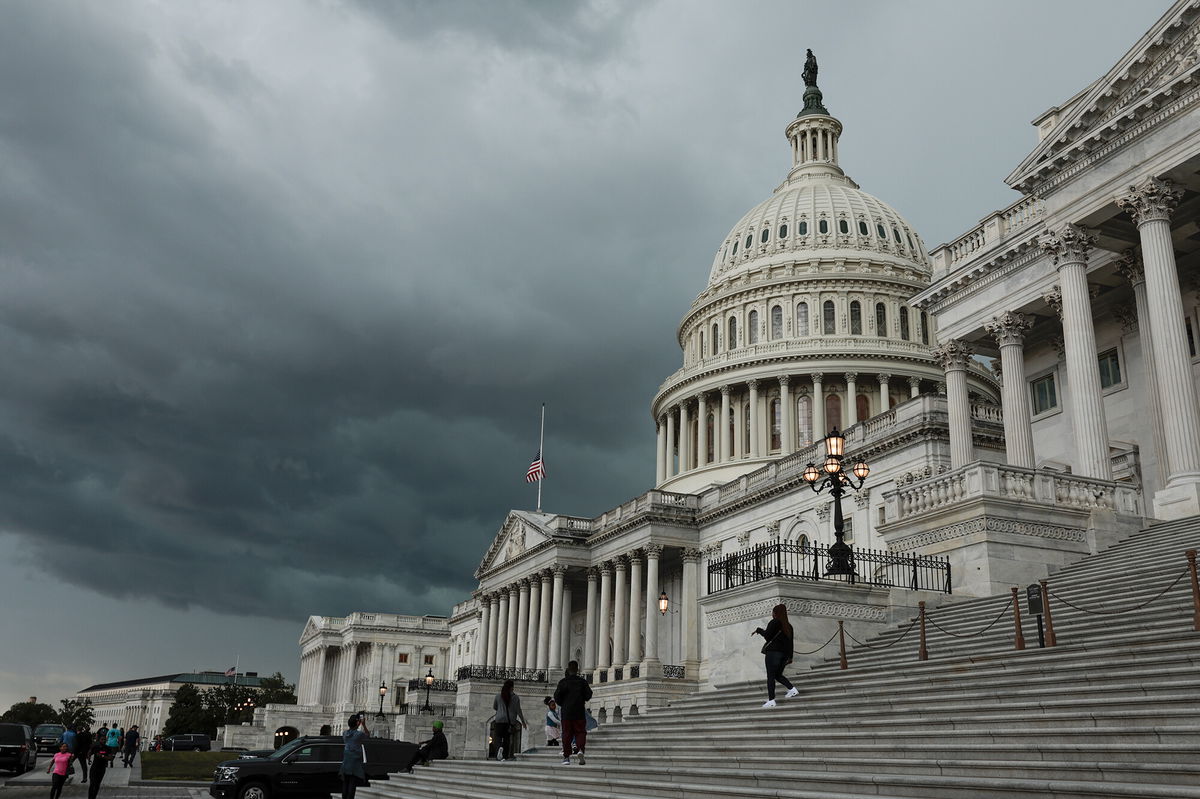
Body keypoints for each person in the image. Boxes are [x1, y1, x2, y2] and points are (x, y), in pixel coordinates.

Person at [753, 602, 798, 708]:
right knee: (778, 675)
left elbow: (767, 636)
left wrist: (759, 630)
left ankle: (771, 700)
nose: (772, 614)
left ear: (776, 613)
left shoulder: (775, 622)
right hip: (784, 655)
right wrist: (790, 657)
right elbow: (791, 643)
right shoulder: (789, 626)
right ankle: (792, 689)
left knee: (771, 677)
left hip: (773, 653)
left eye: (773, 612)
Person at [553, 660, 592, 766]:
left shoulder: (563, 682)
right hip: (579, 711)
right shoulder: (582, 682)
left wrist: (564, 704)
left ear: (568, 670)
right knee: (580, 732)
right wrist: (581, 699)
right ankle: (580, 750)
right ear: (577, 669)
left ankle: (566, 757)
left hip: (567, 713)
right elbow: (589, 695)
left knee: (566, 734)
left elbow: (557, 697)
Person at [492, 680, 526, 762]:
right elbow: (518, 710)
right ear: (512, 687)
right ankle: (504, 756)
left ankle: (499, 751)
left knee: (498, 738)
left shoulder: (498, 696)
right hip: (510, 721)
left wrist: (501, 709)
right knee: (507, 739)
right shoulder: (515, 697)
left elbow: (495, 707)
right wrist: (523, 722)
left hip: (499, 720)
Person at [337, 714, 370, 799]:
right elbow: (367, 735)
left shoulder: (345, 733)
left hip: (346, 760)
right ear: (357, 723)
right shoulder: (359, 734)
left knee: (345, 783)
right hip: (354, 761)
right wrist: (364, 724)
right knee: (352, 783)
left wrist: (358, 723)